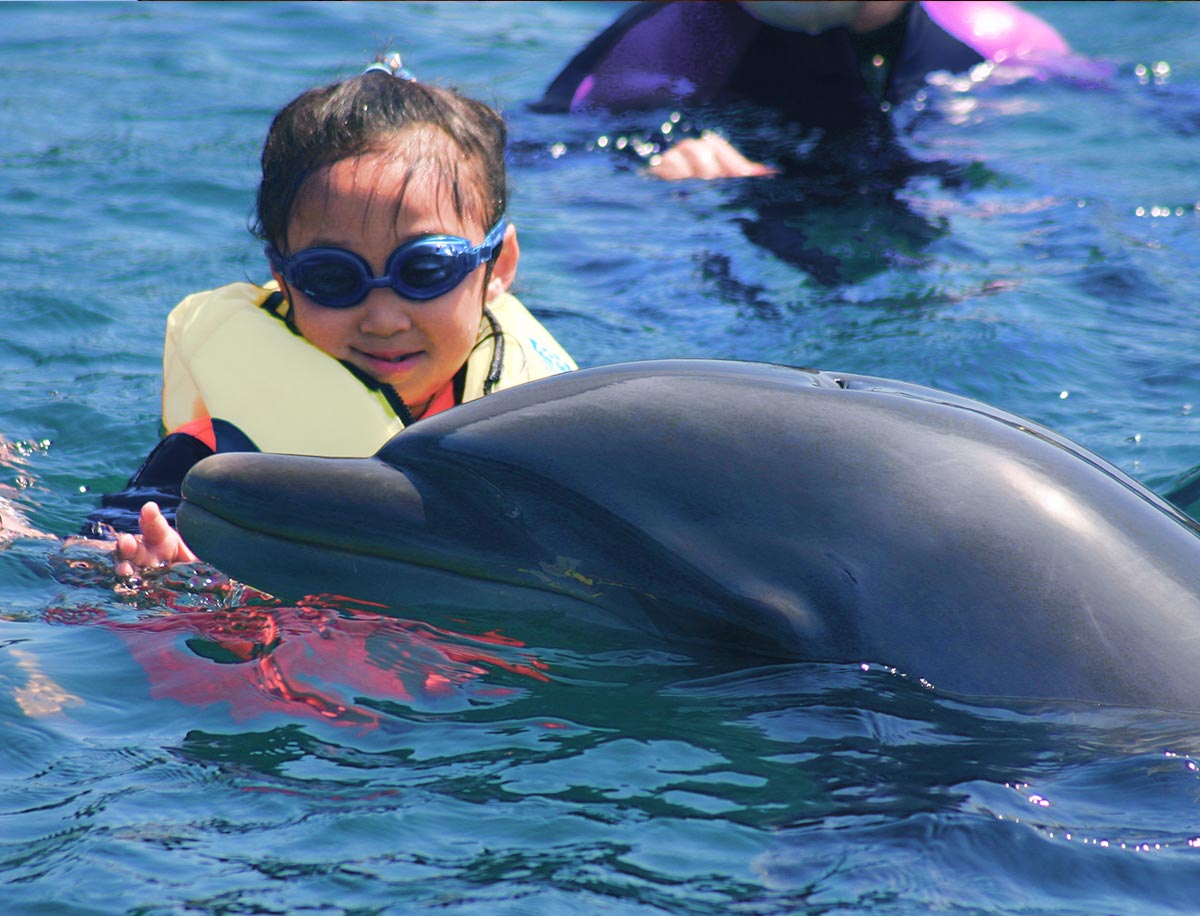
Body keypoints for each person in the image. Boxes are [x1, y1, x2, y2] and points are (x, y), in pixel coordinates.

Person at [84, 54, 577, 575]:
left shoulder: (543, 423)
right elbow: (90, 552)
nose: (383, 319)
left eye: (426, 268)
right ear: (284, 277)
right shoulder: (222, 450)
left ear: (498, 266)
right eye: (332, 278)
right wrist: (158, 565)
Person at [534, 0, 1073, 180]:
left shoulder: (995, 40)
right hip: (731, 217)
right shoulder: (667, 37)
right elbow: (539, 157)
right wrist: (646, 170)